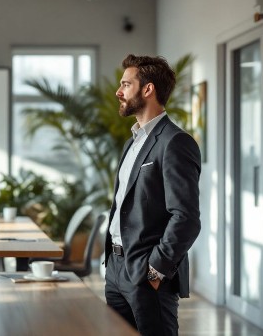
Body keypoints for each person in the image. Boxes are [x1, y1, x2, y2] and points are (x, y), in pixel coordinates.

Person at [104, 54, 201, 336]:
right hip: (115, 267)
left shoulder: (175, 142)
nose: (118, 91)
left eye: (126, 84)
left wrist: (155, 271)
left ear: (148, 89)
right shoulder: (131, 144)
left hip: (146, 272)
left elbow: (185, 218)